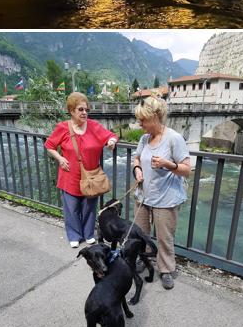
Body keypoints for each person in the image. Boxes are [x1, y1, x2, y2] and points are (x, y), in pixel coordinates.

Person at [132, 96, 190, 290]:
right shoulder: (144, 138)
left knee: (165, 237)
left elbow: (187, 170)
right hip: (143, 196)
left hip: (166, 198)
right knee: (140, 234)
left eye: (143, 120)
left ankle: (165, 270)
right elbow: (137, 158)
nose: (140, 124)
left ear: (155, 116)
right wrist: (137, 170)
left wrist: (168, 164)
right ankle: (144, 259)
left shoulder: (174, 138)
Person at [45, 92, 118, 248]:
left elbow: (111, 135)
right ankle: (74, 235)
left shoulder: (94, 126)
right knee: (71, 209)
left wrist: (111, 141)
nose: (84, 112)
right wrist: (60, 158)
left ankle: (88, 233)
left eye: (86, 109)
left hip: (91, 177)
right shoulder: (63, 127)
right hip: (69, 176)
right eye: (80, 109)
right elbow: (49, 145)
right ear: (72, 111)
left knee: (89, 208)